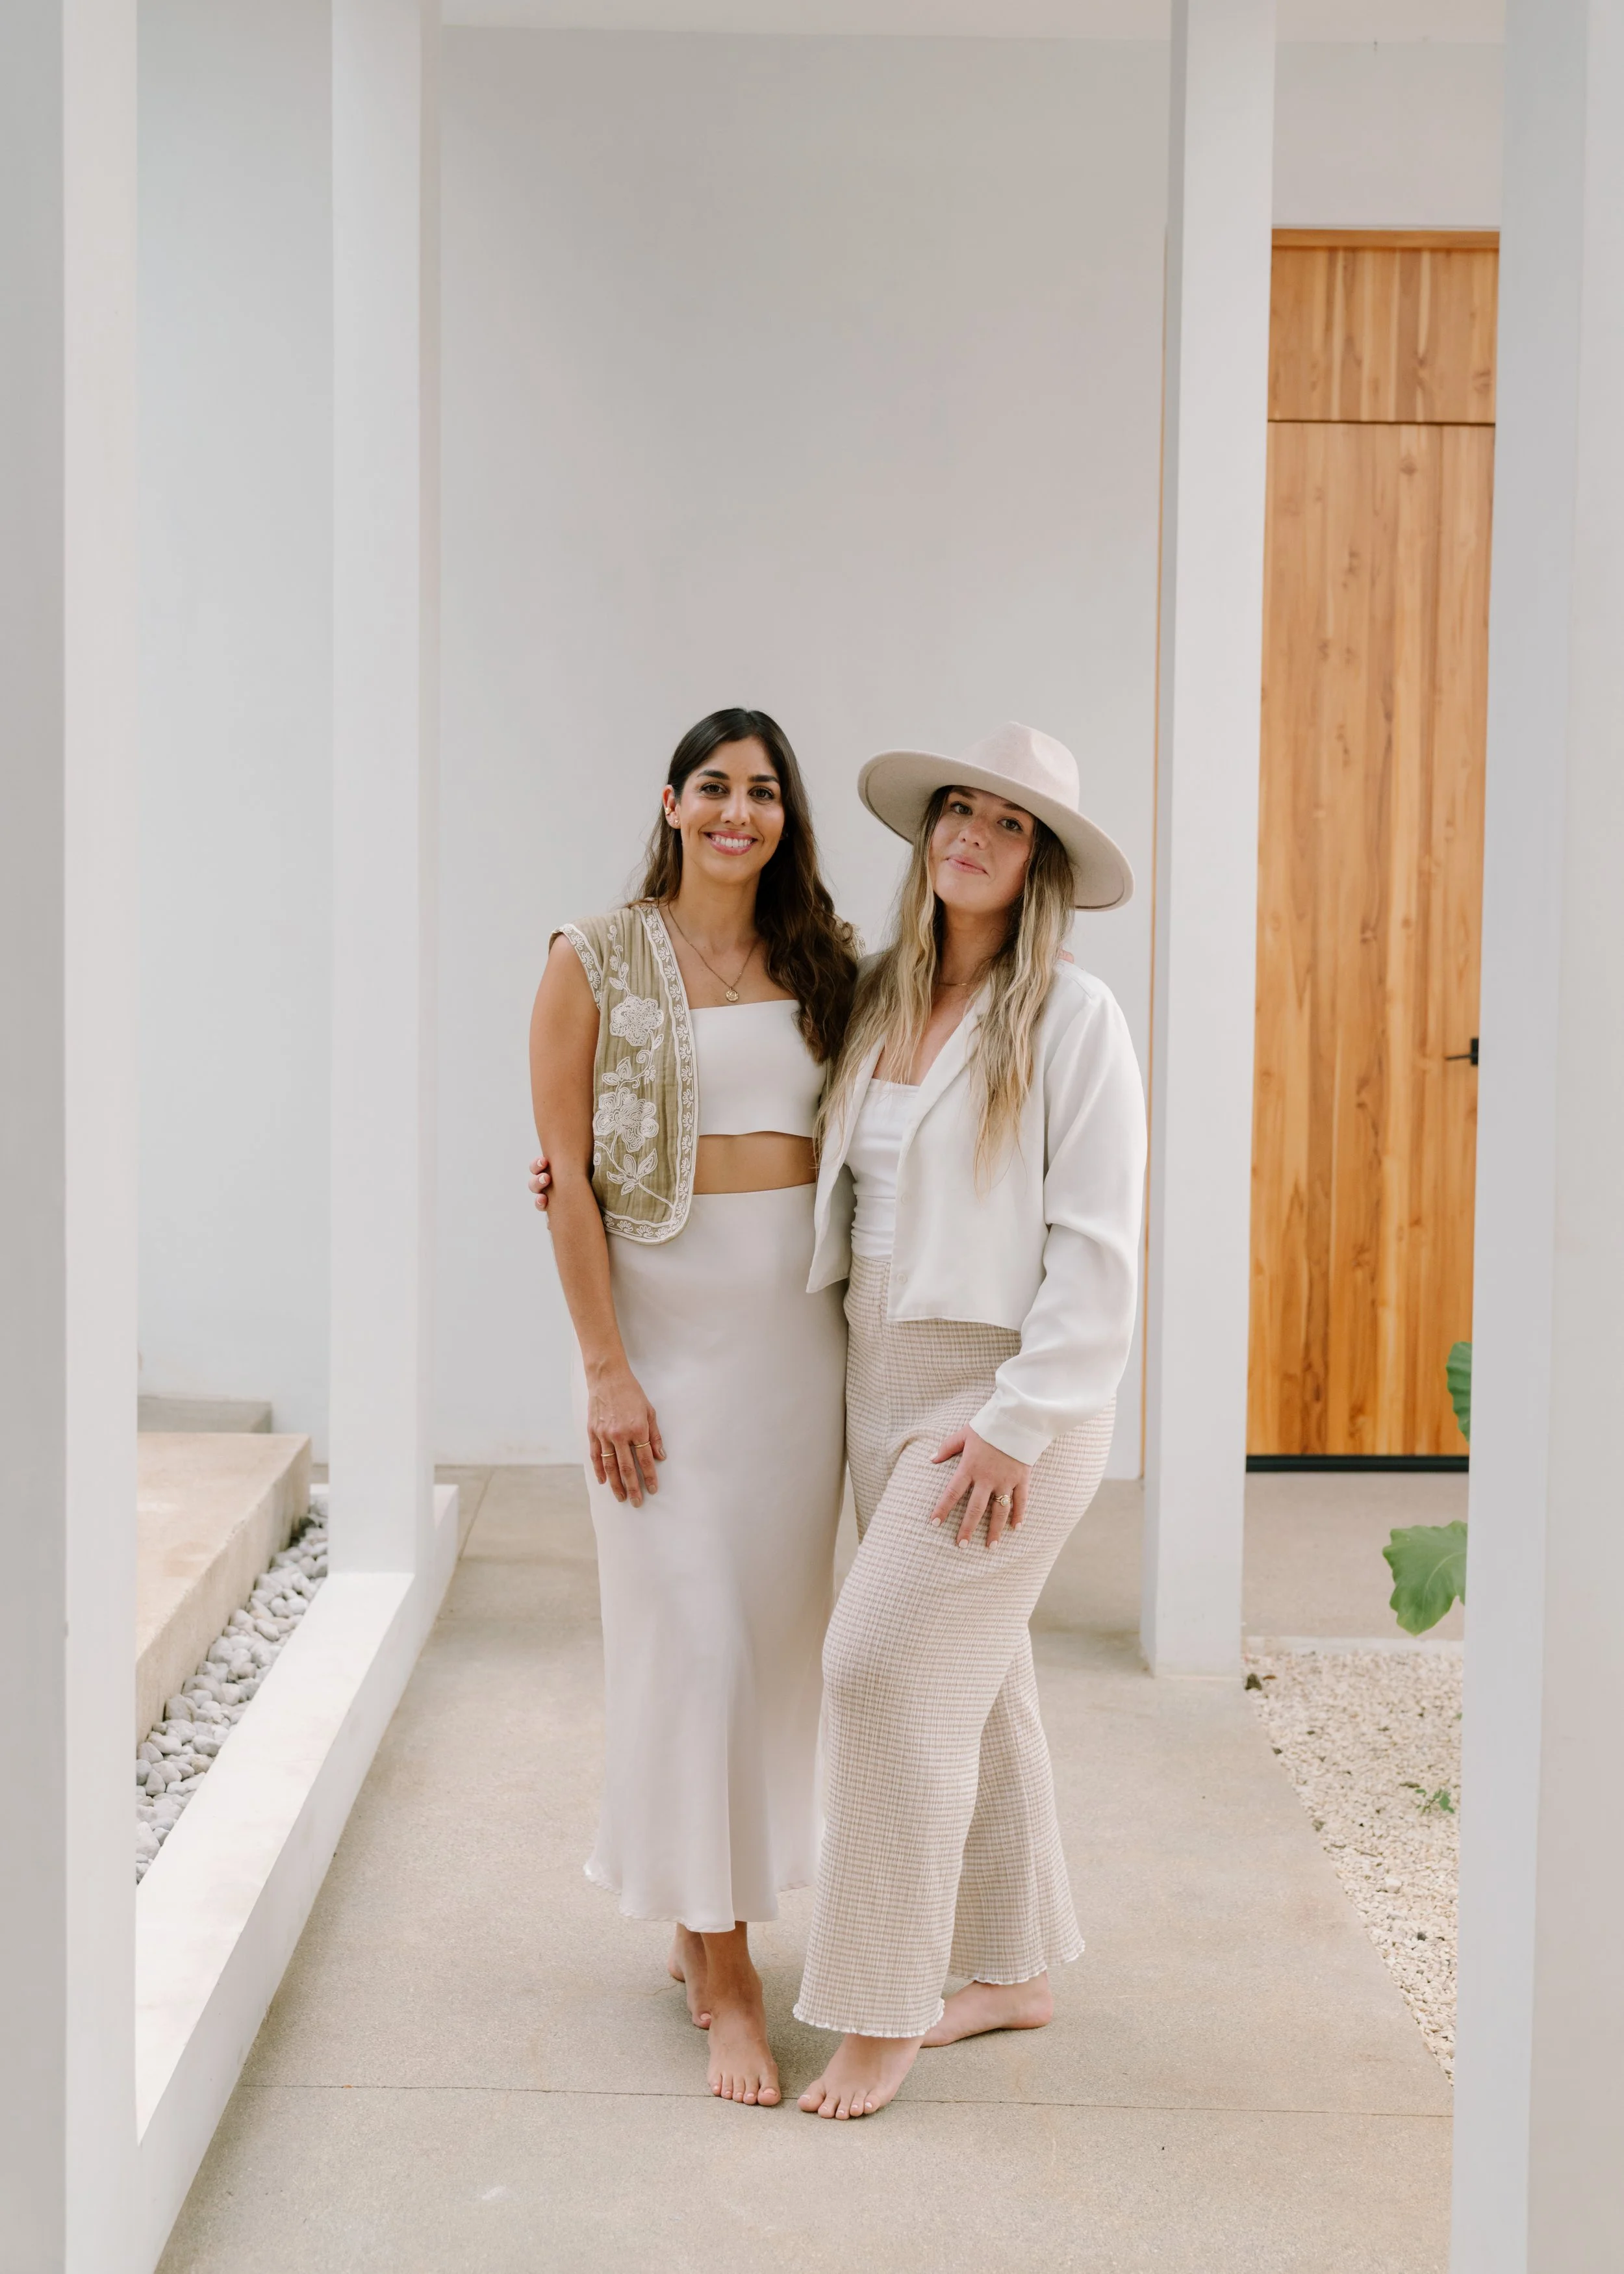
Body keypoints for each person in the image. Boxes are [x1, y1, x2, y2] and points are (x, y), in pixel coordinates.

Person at [793, 721, 1145, 2121]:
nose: (972, 838)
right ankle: (1009, 1965)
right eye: (957, 811)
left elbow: (1098, 1248)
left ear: (1038, 860)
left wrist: (1018, 1421)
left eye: (1006, 824)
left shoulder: (1070, 1016)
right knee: (970, 1677)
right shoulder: (879, 996)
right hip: (874, 1372)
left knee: (876, 1671)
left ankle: (879, 2004)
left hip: (1006, 1396)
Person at [528, 707, 857, 2110]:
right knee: (696, 1650)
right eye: (713, 787)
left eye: (763, 791)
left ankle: (695, 1911)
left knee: (767, 1657)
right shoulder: (589, 957)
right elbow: (564, 1180)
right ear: (670, 802)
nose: (738, 811)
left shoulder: (824, 963)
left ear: (785, 816)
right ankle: (726, 1979)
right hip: (660, 1348)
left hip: (797, 1346)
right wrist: (605, 1367)